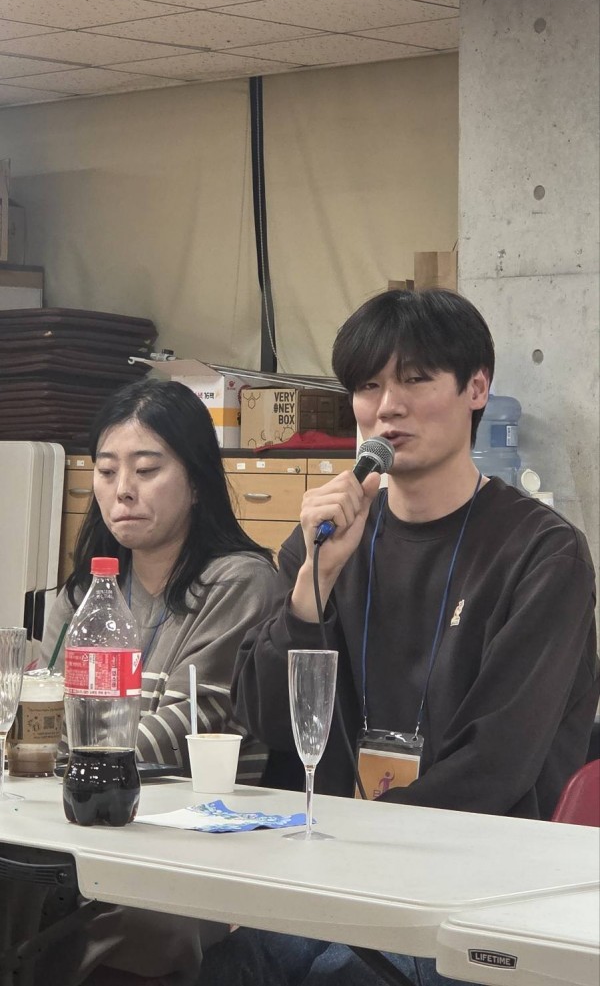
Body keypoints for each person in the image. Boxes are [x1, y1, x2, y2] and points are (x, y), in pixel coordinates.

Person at [198, 288, 599, 986]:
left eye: (415, 379)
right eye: (368, 386)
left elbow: (497, 765)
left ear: (477, 389)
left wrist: (353, 847)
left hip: (480, 888)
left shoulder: (542, 553)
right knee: (224, 965)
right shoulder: (328, 541)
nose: (388, 406)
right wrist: (311, 584)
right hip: (336, 876)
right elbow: (267, 719)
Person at [40, 377, 277, 986]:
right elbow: (39, 718)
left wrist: (70, 754)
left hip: (189, 852)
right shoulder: (85, 592)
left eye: (146, 470)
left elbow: (182, 729)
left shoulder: (240, 582)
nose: (122, 490)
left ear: (196, 482)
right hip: (83, 831)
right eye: (106, 470)